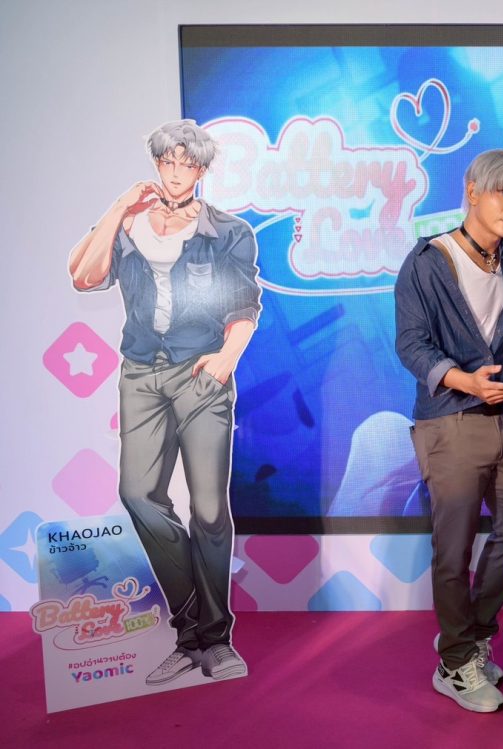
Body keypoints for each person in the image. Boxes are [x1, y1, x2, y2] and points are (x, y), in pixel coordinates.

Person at [67, 119, 260, 684]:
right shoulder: (127, 223)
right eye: (167, 162)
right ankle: (195, 622)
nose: (176, 172)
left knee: (208, 509)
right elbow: (84, 277)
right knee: (138, 494)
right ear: (156, 164)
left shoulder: (227, 230)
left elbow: (245, 305)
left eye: (187, 163)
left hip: (201, 374)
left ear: (201, 170)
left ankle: (213, 641)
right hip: (141, 375)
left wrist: (227, 358)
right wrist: (118, 207)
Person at [394, 149, 503, 712]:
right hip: (450, 421)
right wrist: (466, 382)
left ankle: (469, 639)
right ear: (473, 190)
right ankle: (455, 665)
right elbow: (411, 344)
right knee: (453, 549)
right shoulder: (428, 261)